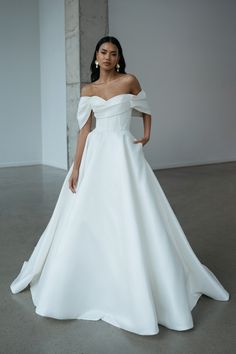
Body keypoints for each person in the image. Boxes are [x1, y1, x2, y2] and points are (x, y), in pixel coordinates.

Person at [10, 36, 229, 336]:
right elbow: (85, 131)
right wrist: (76, 168)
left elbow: (146, 109)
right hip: (97, 153)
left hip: (124, 151)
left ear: (119, 57)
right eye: (104, 52)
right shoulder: (88, 90)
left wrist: (147, 136)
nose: (109, 57)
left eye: (114, 53)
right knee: (90, 214)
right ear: (96, 57)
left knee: (132, 211)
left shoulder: (129, 81)